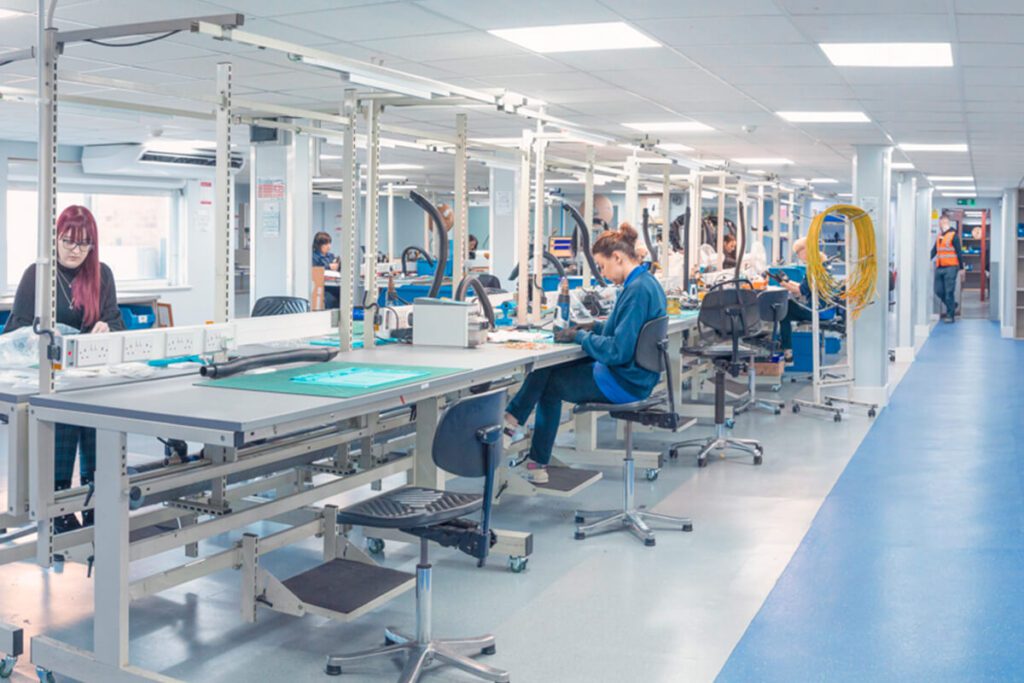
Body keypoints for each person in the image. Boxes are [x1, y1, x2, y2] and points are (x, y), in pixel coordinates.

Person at [504, 223, 666, 483]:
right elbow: (624, 332)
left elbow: (618, 351)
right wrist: (592, 326)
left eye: (602, 266)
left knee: (549, 385)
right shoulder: (646, 283)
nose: (603, 273)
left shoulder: (636, 291)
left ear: (618, 257)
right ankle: (523, 441)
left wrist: (581, 337)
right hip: (636, 375)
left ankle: (521, 440)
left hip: (625, 381)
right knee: (546, 369)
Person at [3, 205, 124, 532]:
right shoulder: (37, 274)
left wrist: (107, 327)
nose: (76, 250)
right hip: (50, 375)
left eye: (84, 244)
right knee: (64, 432)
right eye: (69, 241)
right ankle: (59, 509)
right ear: (55, 239)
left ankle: (95, 503)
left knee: (98, 434)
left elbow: (115, 319)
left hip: (92, 375)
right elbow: (17, 329)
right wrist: (43, 336)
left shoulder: (103, 274)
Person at [777, 237, 815, 361]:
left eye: (798, 253)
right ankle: (787, 350)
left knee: (784, 311)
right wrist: (788, 282)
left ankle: (787, 350)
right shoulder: (815, 265)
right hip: (817, 308)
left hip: (814, 311)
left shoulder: (813, 268)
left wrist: (784, 285)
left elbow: (800, 291)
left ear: (805, 250)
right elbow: (802, 286)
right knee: (786, 310)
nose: (799, 257)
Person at [930, 214, 963, 323]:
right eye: (939, 224)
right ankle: (952, 305)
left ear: (946, 223)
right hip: (940, 267)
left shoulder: (954, 235)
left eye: (941, 223)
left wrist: (961, 268)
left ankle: (950, 315)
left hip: (951, 267)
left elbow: (959, 252)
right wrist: (925, 260)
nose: (940, 226)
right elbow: (934, 250)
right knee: (938, 291)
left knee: (949, 292)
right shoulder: (939, 236)